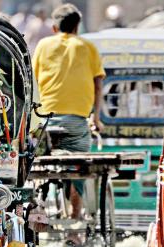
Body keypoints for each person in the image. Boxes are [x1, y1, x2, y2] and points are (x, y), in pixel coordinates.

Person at [32, 4, 105, 231]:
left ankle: (38, 203)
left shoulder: (43, 45)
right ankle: (75, 219)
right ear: (77, 27)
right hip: (76, 122)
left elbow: (32, 82)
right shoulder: (87, 46)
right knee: (78, 167)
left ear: (54, 27)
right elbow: (98, 84)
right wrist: (96, 118)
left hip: (44, 121)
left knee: (37, 163)